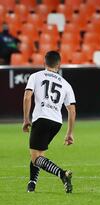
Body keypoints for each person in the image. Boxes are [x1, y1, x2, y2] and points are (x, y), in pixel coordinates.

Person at [23, 51, 76, 192]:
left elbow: (27, 97)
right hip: (56, 122)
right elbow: (72, 110)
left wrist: (26, 119)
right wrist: (69, 133)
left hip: (42, 119)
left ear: (44, 63)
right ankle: (32, 183)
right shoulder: (66, 84)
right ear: (59, 64)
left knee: (35, 158)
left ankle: (62, 174)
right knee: (38, 153)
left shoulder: (35, 76)